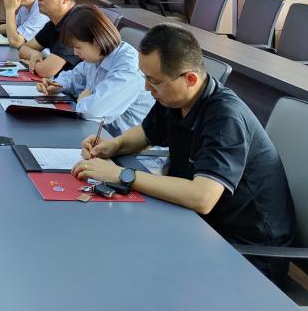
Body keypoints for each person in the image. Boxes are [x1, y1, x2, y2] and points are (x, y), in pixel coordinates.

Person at [71, 24, 294, 247]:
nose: (147, 88)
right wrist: (115, 145)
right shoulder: (173, 99)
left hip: (243, 246)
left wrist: (122, 175)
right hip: (197, 223)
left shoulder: (225, 119)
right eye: (145, 78)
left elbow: (202, 197)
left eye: (154, 81)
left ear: (190, 79)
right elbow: (146, 134)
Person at [34, 5, 153, 135]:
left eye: (78, 47)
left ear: (97, 41)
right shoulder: (97, 56)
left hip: (121, 141)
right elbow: (74, 77)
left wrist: (82, 100)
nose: (75, 52)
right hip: (96, 132)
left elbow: (91, 112)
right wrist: (57, 85)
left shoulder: (128, 69)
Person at [17, 0, 79, 77]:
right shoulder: (54, 23)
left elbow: (46, 71)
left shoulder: (75, 25)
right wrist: (34, 54)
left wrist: (28, 63)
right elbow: (23, 49)